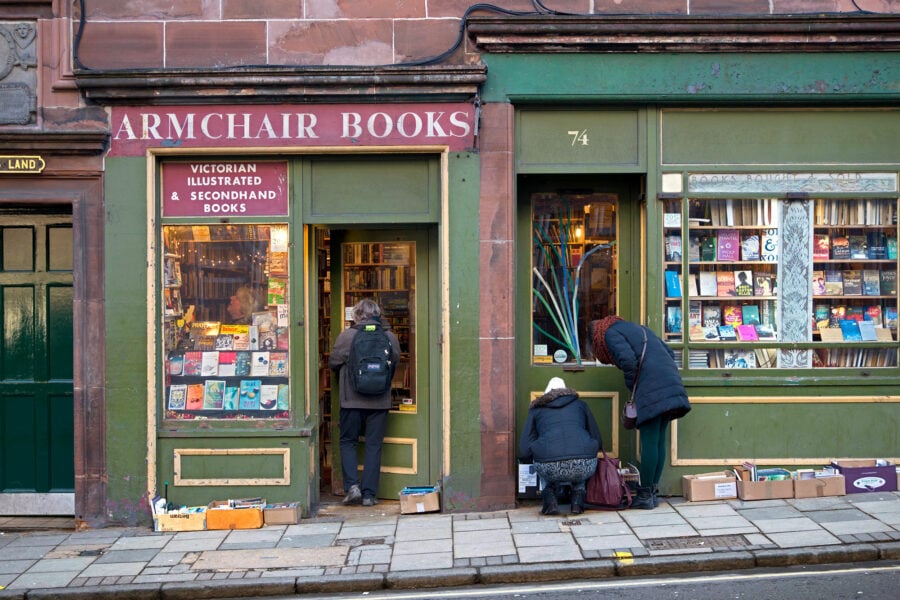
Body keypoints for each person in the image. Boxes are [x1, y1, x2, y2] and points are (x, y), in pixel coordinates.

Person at [590, 316, 691, 510]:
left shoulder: (609, 334)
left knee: (649, 442)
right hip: (669, 382)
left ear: (596, 336)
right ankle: (652, 492)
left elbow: (628, 361)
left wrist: (634, 388)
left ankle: (645, 495)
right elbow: (669, 353)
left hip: (651, 387)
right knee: (658, 440)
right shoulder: (639, 328)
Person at [328, 298, 401, 506]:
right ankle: (369, 494)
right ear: (377, 314)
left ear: (356, 316)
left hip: (351, 401)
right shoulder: (389, 337)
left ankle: (352, 487)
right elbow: (395, 361)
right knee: (374, 445)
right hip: (379, 401)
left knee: (347, 442)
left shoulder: (347, 336)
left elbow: (333, 362)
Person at [518, 376, 602, 516]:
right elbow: (596, 436)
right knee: (579, 455)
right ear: (566, 390)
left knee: (542, 453)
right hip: (583, 465)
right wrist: (593, 447)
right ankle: (577, 501)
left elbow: (525, 445)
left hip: (549, 467)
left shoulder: (537, 409)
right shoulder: (580, 405)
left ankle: (550, 500)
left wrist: (531, 455)